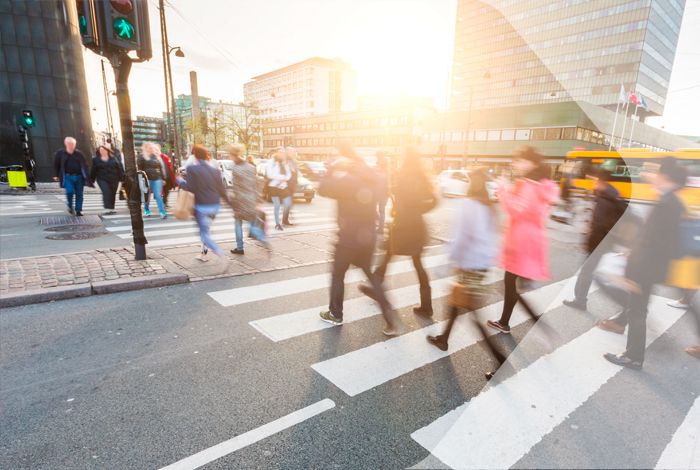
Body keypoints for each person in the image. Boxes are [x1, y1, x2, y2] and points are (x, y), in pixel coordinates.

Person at [598, 159, 688, 369]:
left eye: (655, 172)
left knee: (637, 311)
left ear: (665, 176)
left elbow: (654, 243)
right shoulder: (671, 201)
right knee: (637, 309)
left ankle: (633, 356)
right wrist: (629, 253)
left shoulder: (667, 204)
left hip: (645, 269)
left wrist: (632, 272)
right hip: (649, 267)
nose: (652, 176)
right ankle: (628, 343)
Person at [318, 144, 400, 336]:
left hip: (348, 237)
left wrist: (332, 168)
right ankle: (390, 318)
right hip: (368, 236)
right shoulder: (371, 177)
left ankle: (335, 313)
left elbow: (322, 189)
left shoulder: (347, 179)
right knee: (369, 274)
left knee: (338, 275)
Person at [486, 146, 559, 334]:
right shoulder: (542, 185)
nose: (515, 163)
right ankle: (505, 322)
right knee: (513, 283)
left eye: (519, 160)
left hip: (520, 240)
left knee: (511, 284)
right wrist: (508, 193)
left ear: (531, 163)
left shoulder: (529, 185)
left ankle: (538, 327)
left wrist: (502, 191)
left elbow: (517, 211)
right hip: (533, 239)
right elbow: (532, 210)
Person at [358, 147, 436, 316]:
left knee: (388, 255)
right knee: (417, 265)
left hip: (402, 226)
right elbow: (433, 201)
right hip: (417, 226)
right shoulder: (422, 178)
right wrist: (418, 210)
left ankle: (376, 287)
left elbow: (399, 201)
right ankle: (427, 305)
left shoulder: (402, 177)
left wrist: (401, 209)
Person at [427, 168, 499, 351]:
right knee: (456, 302)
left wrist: (450, 260)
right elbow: (489, 237)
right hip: (482, 265)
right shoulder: (488, 206)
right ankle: (443, 338)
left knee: (471, 313)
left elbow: (462, 238)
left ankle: (499, 358)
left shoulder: (468, 205)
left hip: (470, 265)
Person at [563, 168, 626, 311]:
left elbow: (599, 224)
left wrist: (588, 240)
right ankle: (580, 300)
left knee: (587, 272)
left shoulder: (604, 199)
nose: (592, 182)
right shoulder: (612, 194)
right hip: (605, 242)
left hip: (598, 243)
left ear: (599, 180)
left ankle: (580, 301)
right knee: (592, 272)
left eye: (593, 179)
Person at [176, 144, 232, 262]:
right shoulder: (215, 170)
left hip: (202, 207)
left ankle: (221, 254)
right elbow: (222, 190)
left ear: (195, 156)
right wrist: (231, 205)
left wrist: (180, 181)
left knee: (204, 235)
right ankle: (204, 252)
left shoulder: (192, 169)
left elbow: (190, 188)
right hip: (215, 206)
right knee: (206, 230)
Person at [226, 144, 267, 255]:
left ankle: (240, 248)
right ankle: (263, 240)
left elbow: (236, 189)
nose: (229, 157)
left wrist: (235, 206)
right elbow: (255, 185)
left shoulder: (236, 169)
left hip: (241, 201)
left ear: (233, 155)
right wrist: (258, 200)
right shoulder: (251, 167)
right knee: (252, 224)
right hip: (252, 200)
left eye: (229, 155)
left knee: (238, 224)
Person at [53, 136, 90, 216]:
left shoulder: (79, 154)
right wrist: (56, 175)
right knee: (70, 191)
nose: (71, 145)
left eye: (73, 144)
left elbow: (85, 165)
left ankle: (78, 210)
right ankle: (70, 205)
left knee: (79, 193)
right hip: (67, 176)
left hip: (79, 176)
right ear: (65, 143)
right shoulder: (60, 153)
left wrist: (87, 176)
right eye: (69, 144)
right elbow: (56, 164)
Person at [90, 145, 124, 215]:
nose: (102, 151)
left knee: (113, 193)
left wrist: (122, 178)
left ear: (107, 150)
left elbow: (119, 168)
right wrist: (91, 180)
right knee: (106, 192)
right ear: (98, 152)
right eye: (100, 150)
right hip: (102, 179)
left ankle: (111, 208)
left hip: (114, 179)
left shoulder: (114, 158)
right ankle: (107, 208)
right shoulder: (95, 159)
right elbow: (93, 170)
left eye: (103, 150)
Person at [138, 143, 168, 219]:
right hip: (146, 179)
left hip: (157, 178)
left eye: (152, 148)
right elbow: (140, 169)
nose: (151, 149)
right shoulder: (142, 157)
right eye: (149, 148)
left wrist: (163, 178)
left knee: (158, 195)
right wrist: (141, 179)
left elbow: (162, 168)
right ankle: (147, 210)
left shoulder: (157, 156)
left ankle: (162, 212)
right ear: (146, 148)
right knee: (147, 196)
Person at [266, 148, 292, 231]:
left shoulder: (284, 162)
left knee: (288, 203)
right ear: (276, 153)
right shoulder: (271, 162)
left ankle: (284, 220)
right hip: (273, 186)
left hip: (283, 186)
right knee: (277, 205)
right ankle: (278, 224)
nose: (282, 154)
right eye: (280, 152)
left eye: (283, 153)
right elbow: (270, 174)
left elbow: (289, 174)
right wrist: (282, 177)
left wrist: (286, 178)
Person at [283, 147, 298, 226]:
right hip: (287, 186)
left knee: (289, 203)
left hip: (292, 186)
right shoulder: (285, 162)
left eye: (294, 152)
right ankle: (285, 220)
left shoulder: (293, 161)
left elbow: (295, 173)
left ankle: (286, 219)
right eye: (292, 152)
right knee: (287, 203)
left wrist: (295, 182)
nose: (293, 153)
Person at [375, 153, 390, 234]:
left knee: (379, 210)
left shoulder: (380, 172)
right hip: (383, 195)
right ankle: (380, 227)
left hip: (379, 194)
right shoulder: (387, 172)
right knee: (381, 211)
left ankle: (380, 227)